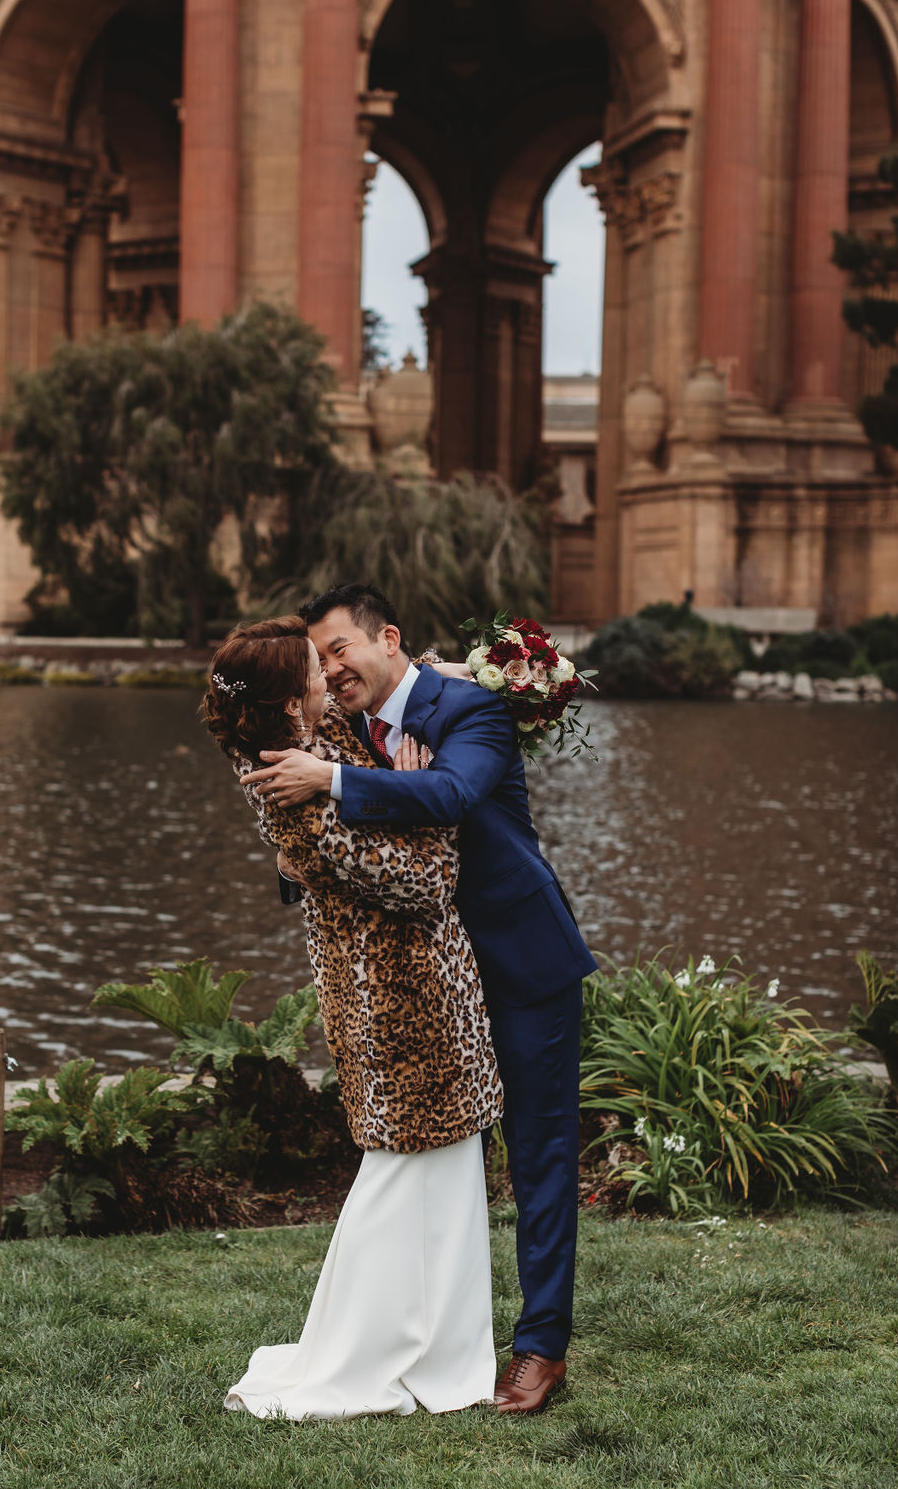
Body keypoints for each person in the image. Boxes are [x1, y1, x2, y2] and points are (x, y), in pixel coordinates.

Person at [242, 585, 597, 1416]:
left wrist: (326, 779)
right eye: (319, 661)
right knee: (444, 1169)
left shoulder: (469, 708)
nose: (331, 671)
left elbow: (450, 799)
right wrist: (296, 862)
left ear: (386, 638)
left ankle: (542, 1349)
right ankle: (441, 1338)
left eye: (340, 650)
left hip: (519, 963)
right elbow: (329, 844)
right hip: (433, 987)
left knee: (539, 1159)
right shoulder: (340, 727)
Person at [201, 615, 504, 1420]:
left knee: (434, 1175)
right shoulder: (287, 788)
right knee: (406, 1179)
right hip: (397, 1000)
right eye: (312, 666)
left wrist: (440, 672)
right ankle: (374, 1352)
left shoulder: (311, 739)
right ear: (286, 699)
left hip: (414, 990)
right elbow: (421, 885)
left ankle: (434, 1339)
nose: (326, 675)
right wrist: (425, 797)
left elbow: (373, 700)